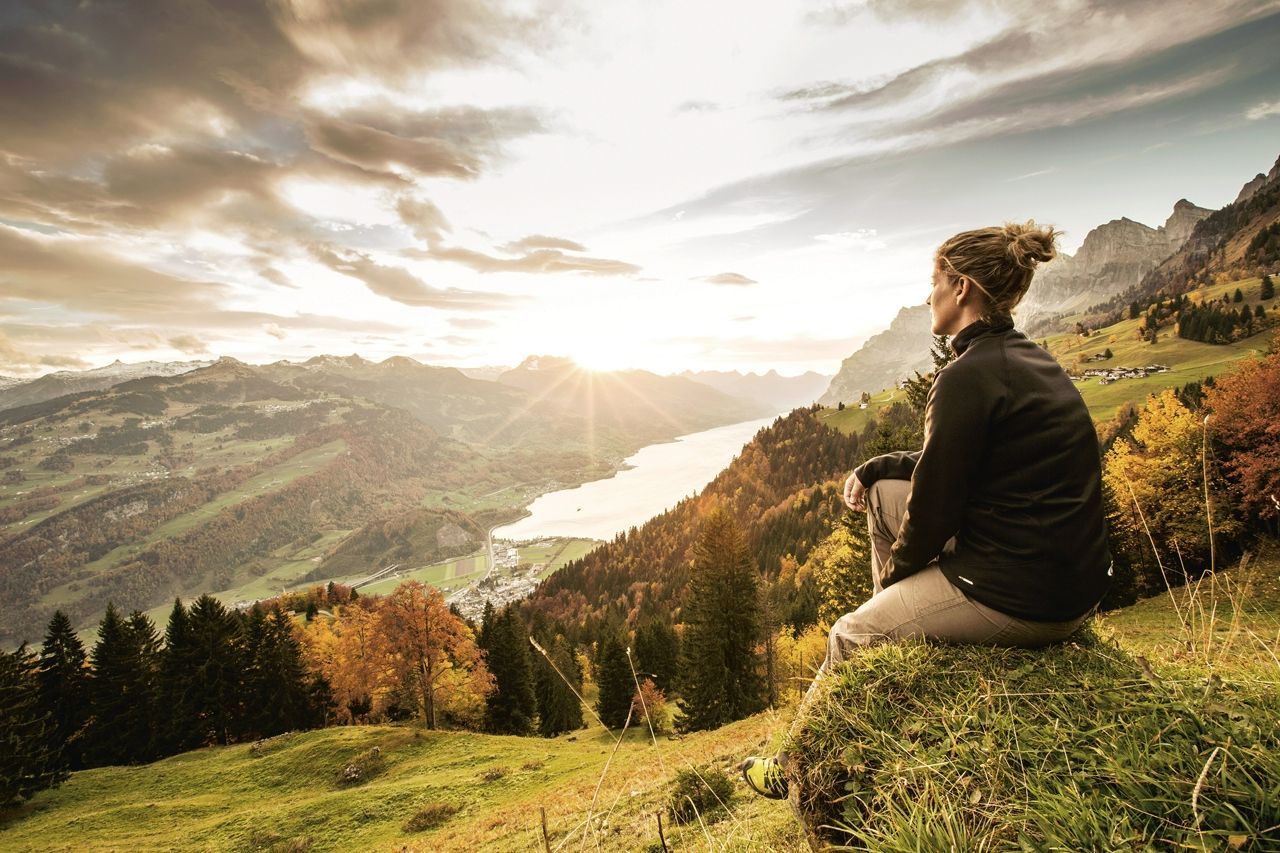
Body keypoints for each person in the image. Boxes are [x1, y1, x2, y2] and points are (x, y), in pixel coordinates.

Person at [741, 221, 1112, 800]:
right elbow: (956, 459)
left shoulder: (967, 376)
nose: (928, 295)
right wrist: (874, 468)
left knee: (851, 635)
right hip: (1063, 581)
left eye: (934, 281)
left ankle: (792, 770)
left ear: (961, 288)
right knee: (884, 497)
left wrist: (895, 581)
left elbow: (935, 509)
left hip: (1023, 595)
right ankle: (899, 644)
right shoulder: (1025, 361)